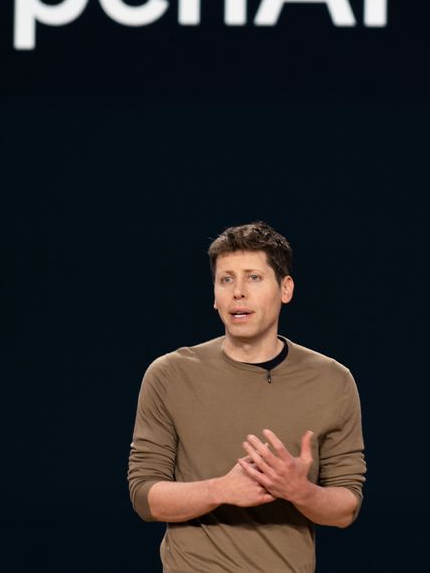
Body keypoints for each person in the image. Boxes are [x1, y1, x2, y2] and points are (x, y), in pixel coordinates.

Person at [128, 221, 366, 572]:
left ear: (285, 289)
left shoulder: (332, 380)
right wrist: (221, 490)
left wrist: (300, 491)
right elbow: (144, 497)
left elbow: (347, 507)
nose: (238, 292)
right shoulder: (169, 374)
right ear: (214, 295)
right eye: (226, 279)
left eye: (253, 277)